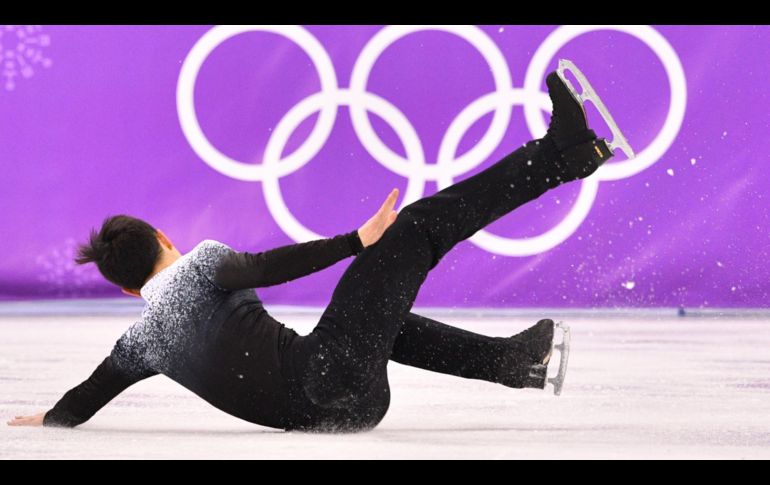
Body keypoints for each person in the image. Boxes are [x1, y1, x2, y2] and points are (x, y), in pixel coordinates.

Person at [7, 70, 613, 432]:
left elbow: (87, 395)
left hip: (339, 411)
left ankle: (517, 363)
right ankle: (564, 155)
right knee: (418, 227)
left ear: (127, 290)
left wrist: (50, 422)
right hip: (334, 372)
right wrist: (357, 241)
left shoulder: (140, 342)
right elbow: (268, 268)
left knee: (384, 320)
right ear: (165, 239)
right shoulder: (199, 266)